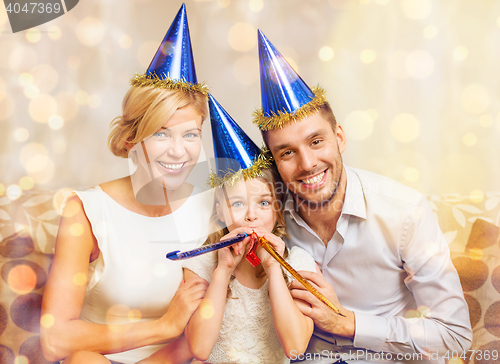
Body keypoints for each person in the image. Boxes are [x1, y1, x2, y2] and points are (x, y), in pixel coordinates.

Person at [252, 30, 473, 363]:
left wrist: (350, 324)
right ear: (274, 161)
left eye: (316, 142)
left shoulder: (404, 212)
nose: (308, 163)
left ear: (339, 137)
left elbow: (454, 336)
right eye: (287, 152)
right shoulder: (269, 217)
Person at [40, 5, 212, 364]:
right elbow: (55, 340)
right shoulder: (87, 211)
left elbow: (215, 323)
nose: (179, 151)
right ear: (132, 139)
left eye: (191, 134)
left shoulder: (213, 208)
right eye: (161, 134)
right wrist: (164, 325)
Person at [175, 94, 315, 364]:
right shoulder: (202, 263)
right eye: (238, 203)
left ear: (277, 210)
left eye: (263, 203)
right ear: (219, 212)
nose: (251, 215)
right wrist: (223, 270)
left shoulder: (299, 263)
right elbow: (200, 348)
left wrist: (274, 267)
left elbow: (296, 348)